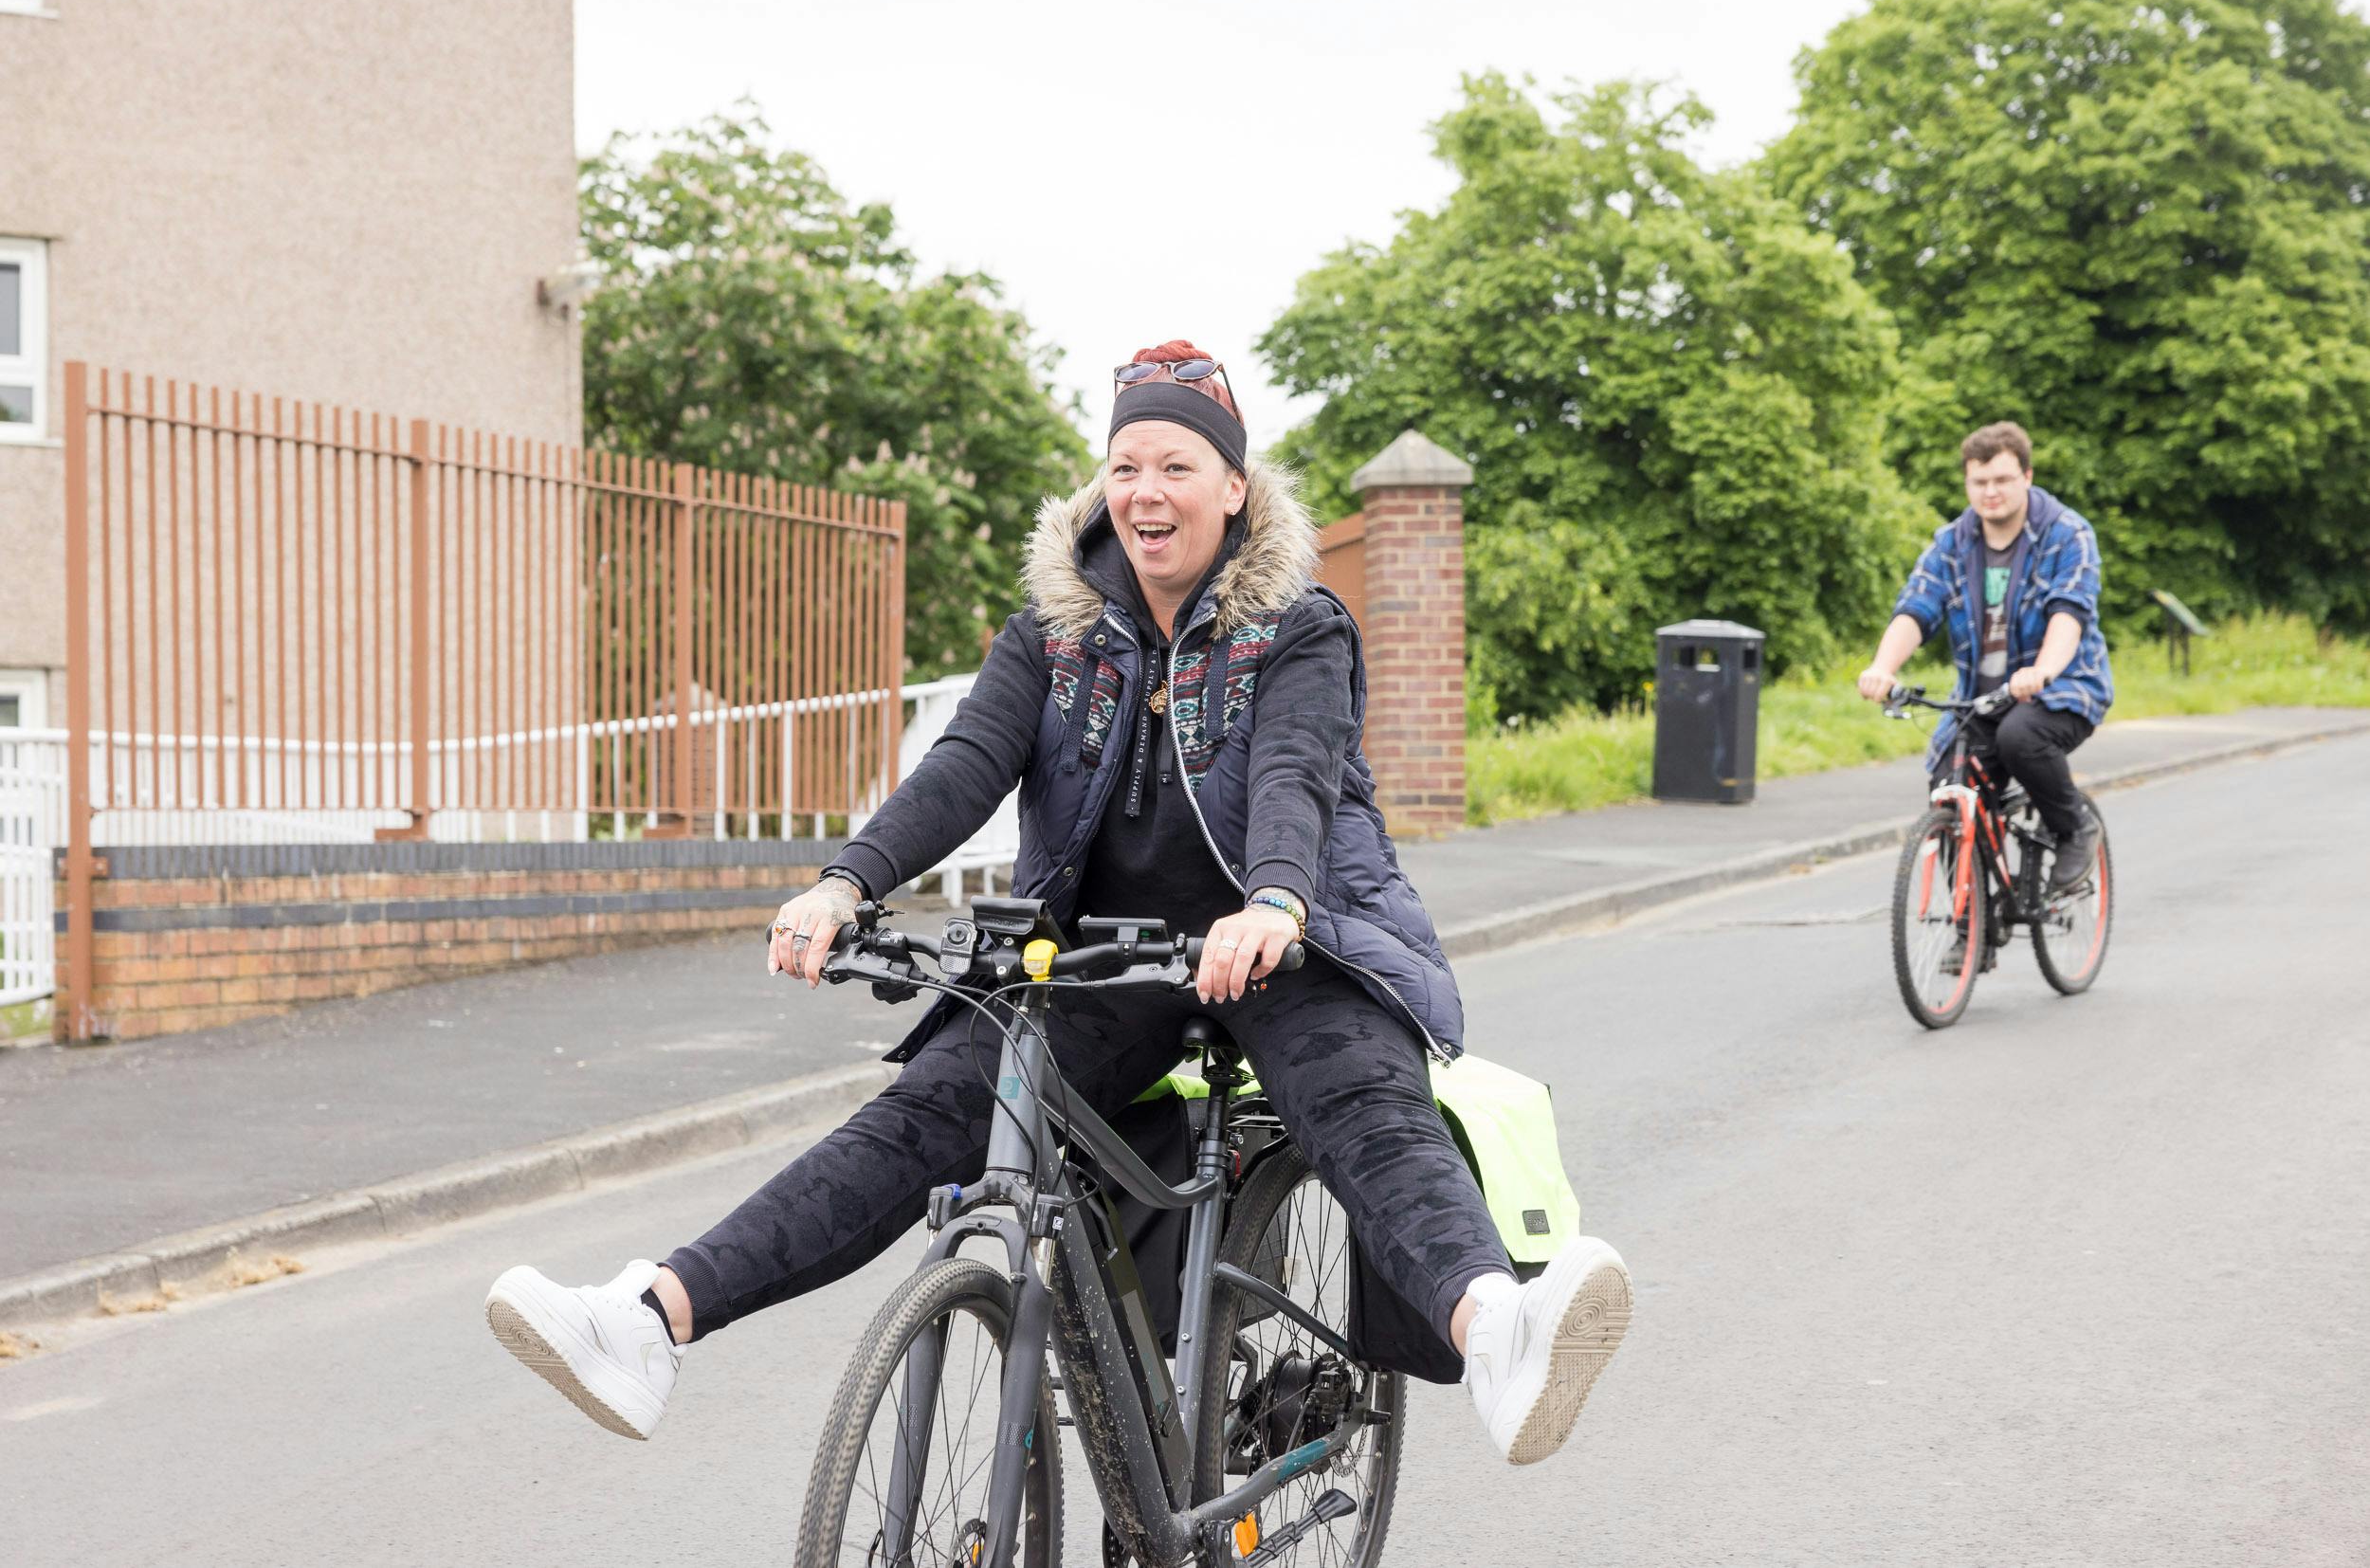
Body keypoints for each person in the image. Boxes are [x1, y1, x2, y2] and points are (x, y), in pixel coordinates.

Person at [484, 341, 1632, 1467]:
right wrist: (847, 879)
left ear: (1233, 489)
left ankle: (1500, 1334)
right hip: (1101, 958)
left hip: (1290, 940)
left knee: (1365, 1105)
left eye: (1177, 465)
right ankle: (648, 1318)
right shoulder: (1051, 635)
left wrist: (1274, 900)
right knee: (927, 1112)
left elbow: (1294, 775)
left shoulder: (1299, 626)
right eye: (1127, 463)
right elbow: (962, 765)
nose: (1146, 489)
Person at [1857, 420, 2114, 900]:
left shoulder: (2066, 533)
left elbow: (2069, 613)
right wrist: (1882, 667)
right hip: (1983, 698)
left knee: (2021, 737)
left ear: (2027, 477)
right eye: (1980, 482)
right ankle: (1971, 922)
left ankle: (2074, 828)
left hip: (2063, 688)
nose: (1990, 492)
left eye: (2002, 480)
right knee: (1949, 785)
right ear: (1967, 483)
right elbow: (1917, 608)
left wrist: (2043, 670)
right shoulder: (1953, 543)